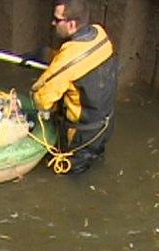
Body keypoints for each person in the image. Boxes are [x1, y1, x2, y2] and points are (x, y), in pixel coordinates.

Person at [31, 0, 118, 175]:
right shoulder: (100, 34)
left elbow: (41, 97)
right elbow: (82, 63)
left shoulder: (69, 59)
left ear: (71, 25)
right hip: (105, 125)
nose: (52, 23)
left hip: (81, 136)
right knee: (94, 164)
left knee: (71, 175)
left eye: (57, 20)